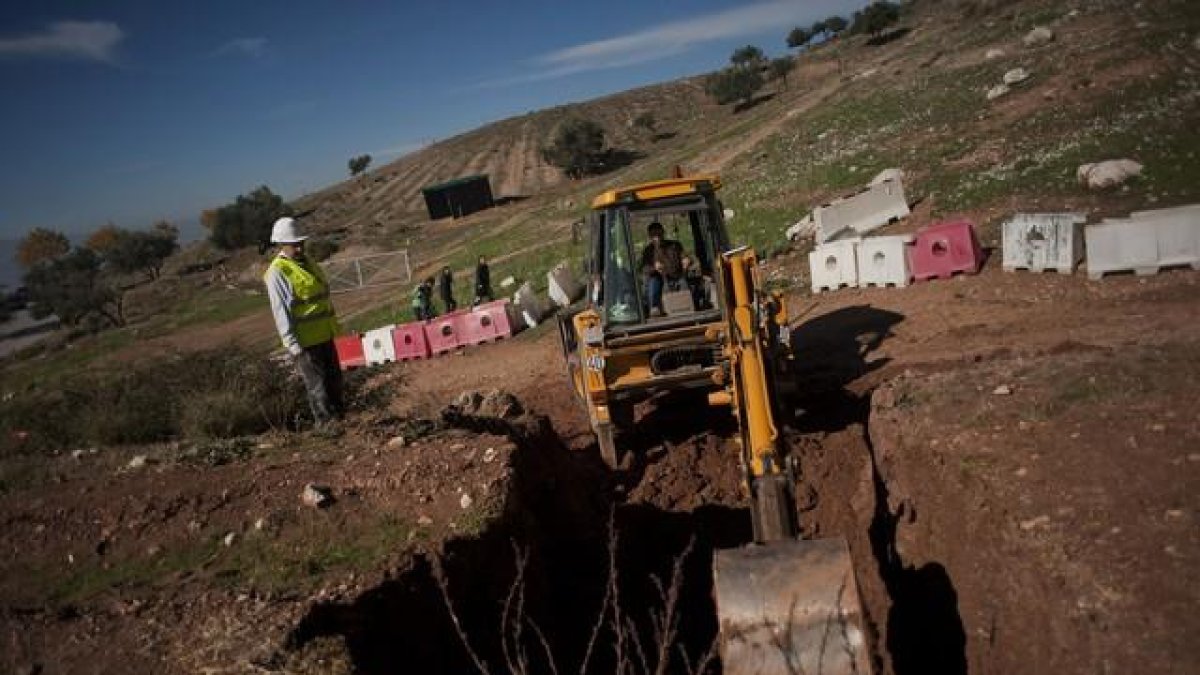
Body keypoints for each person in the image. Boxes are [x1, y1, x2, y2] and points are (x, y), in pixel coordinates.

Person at [263, 217, 344, 431]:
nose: (299, 247)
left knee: (335, 382)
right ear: (280, 244)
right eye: (294, 244)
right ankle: (327, 428)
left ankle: (344, 423)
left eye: (301, 243)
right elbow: (280, 312)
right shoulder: (278, 272)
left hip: (325, 335)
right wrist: (293, 346)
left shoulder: (308, 263)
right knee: (318, 389)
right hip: (305, 344)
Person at [639, 221, 685, 317]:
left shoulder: (675, 245)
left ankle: (687, 307)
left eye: (659, 234)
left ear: (663, 232)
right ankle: (654, 308)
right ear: (650, 236)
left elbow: (685, 256)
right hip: (659, 278)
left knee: (684, 282)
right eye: (654, 235)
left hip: (677, 275)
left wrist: (686, 260)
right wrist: (654, 267)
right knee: (653, 281)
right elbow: (644, 269)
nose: (657, 237)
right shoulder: (648, 251)